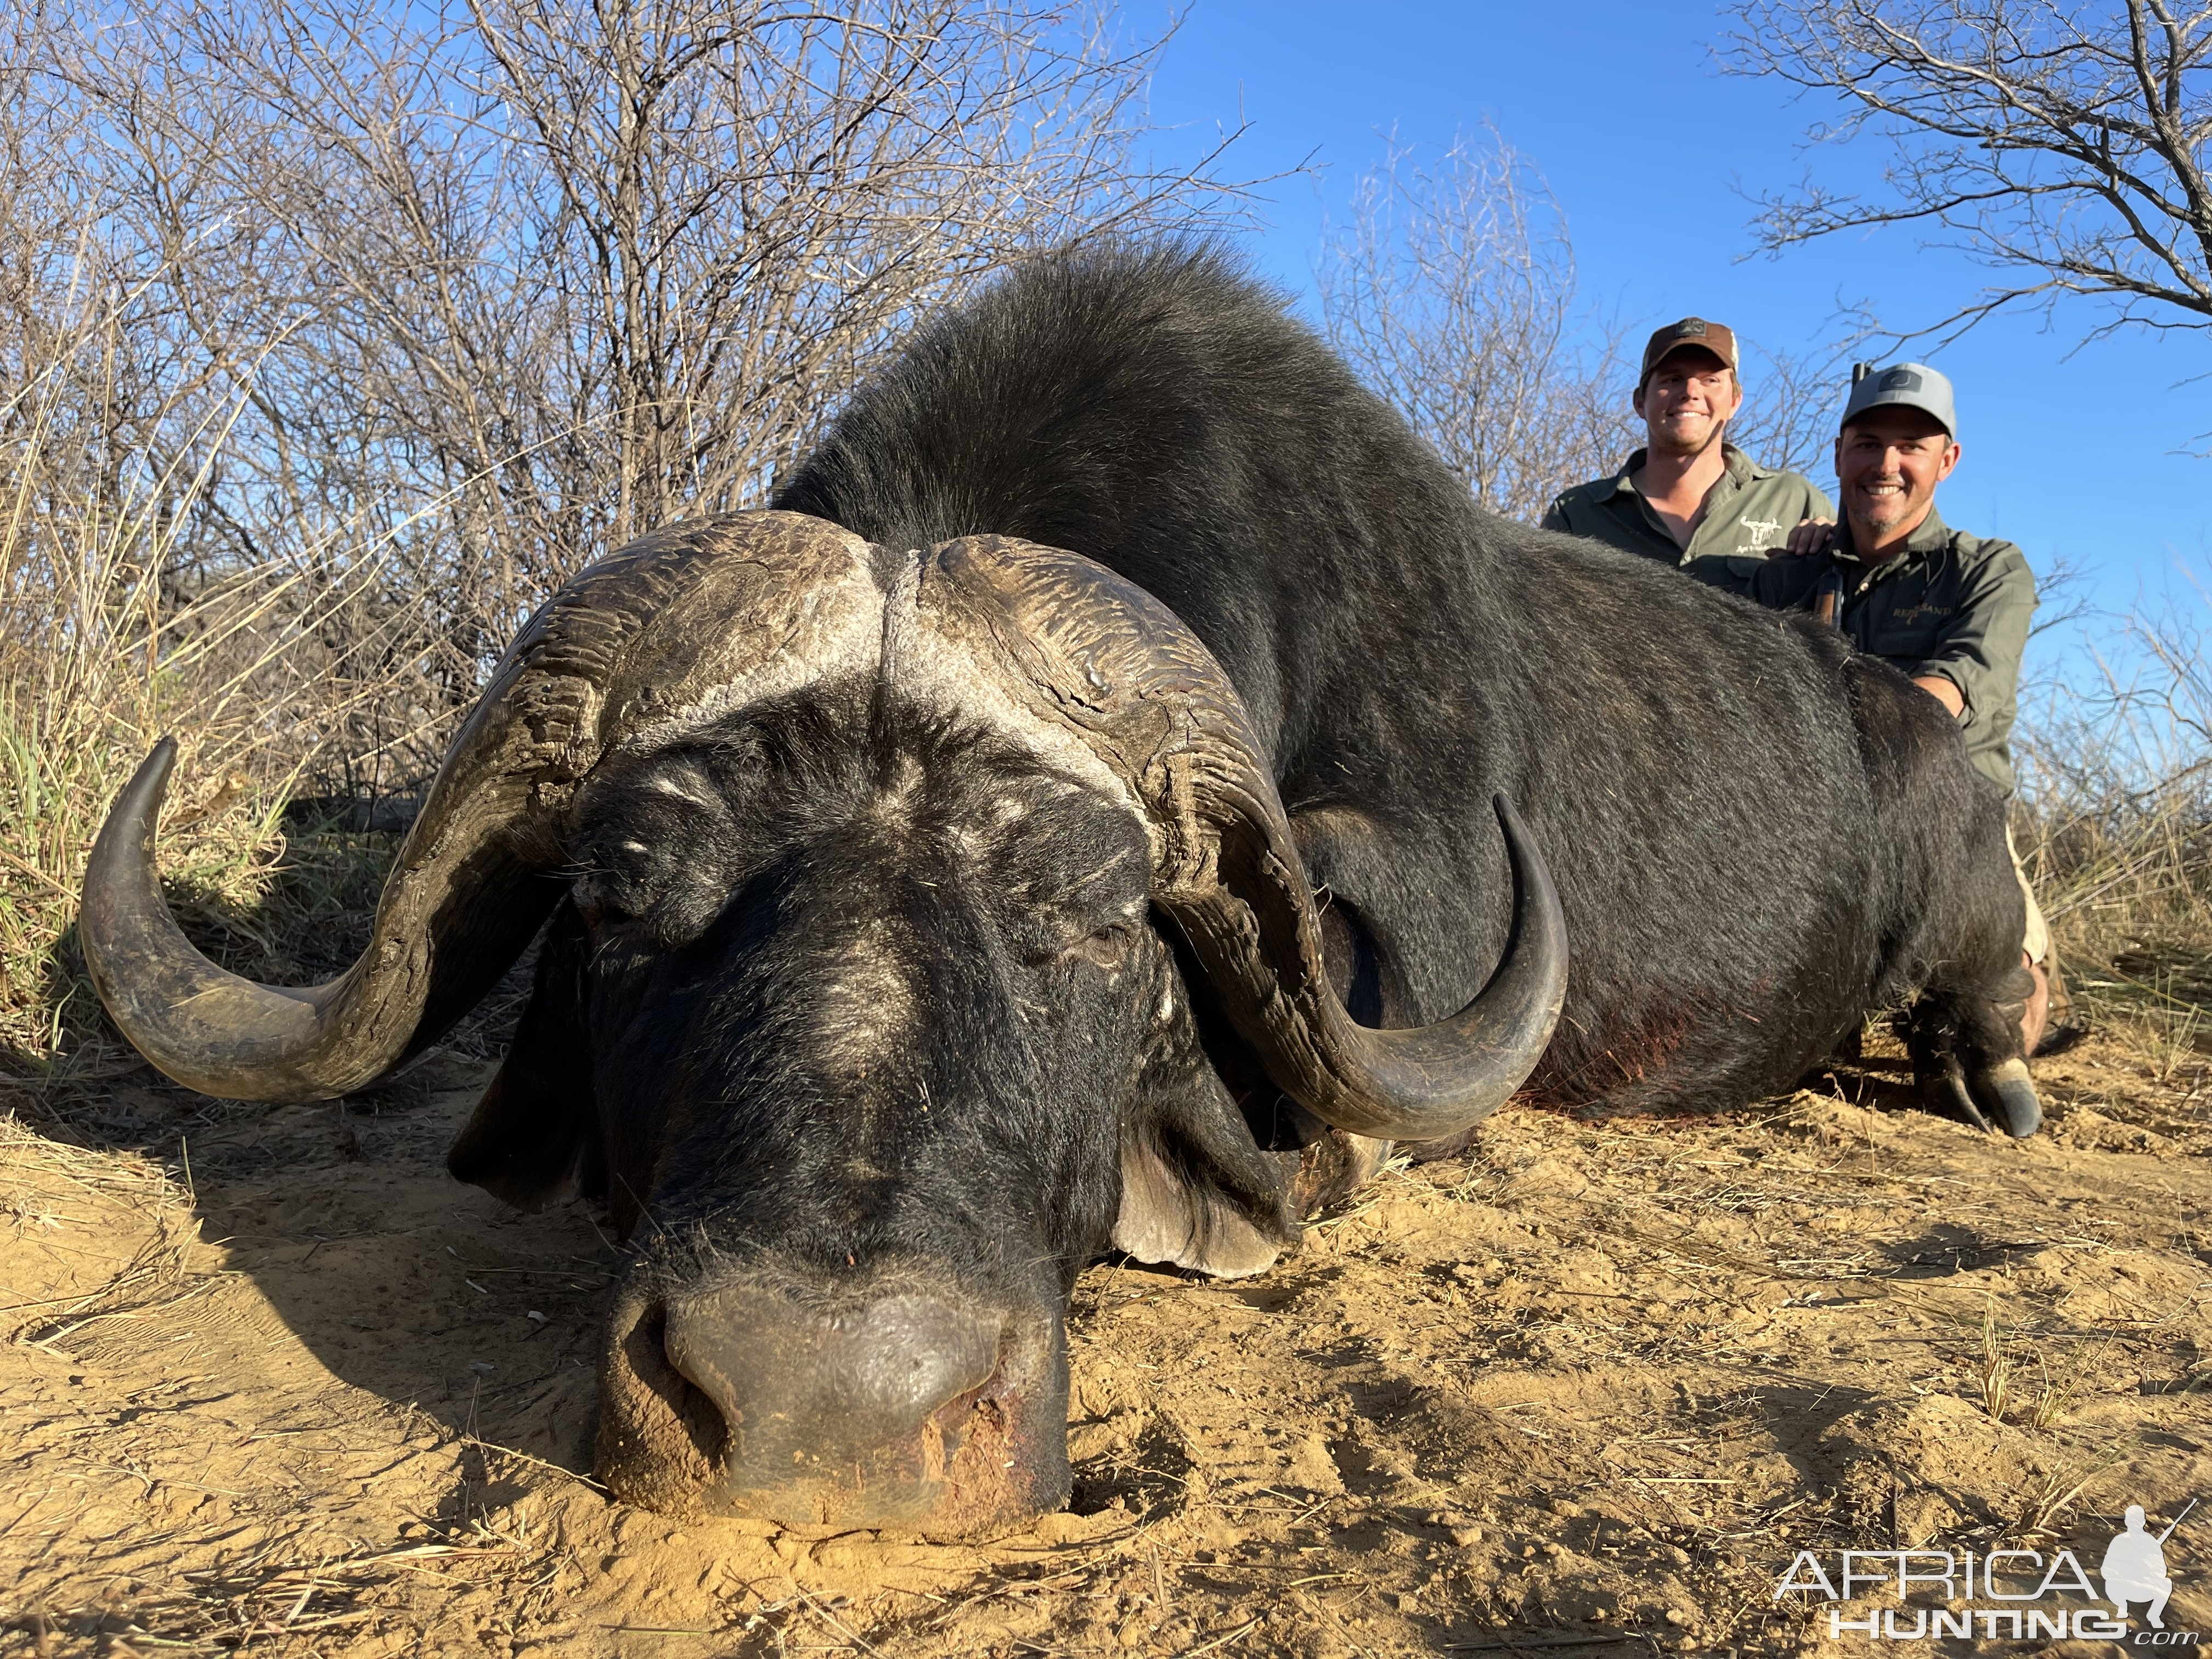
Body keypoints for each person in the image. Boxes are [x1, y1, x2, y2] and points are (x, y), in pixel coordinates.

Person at [1694, 361, 2073, 1054]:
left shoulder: (1989, 570)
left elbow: (1947, 697)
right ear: (1839, 454)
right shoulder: (1784, 574)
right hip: (1806, 826)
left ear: (1948, 461)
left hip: (1949, 822)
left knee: (1996, 1022)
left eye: (1912, 448)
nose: (1887, 465)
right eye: (1868, 443)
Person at [1543, 317, 1833, 565]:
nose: (1690, 392)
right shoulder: (1576, 515)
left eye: (1710, 380)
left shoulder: (1795, 502)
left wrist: (1840, 543)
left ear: (1735, 401)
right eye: (1672, 379)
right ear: (1640, 402)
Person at [2102, 1505, 2175, 1628]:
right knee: (2110, 1583)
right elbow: (2106, 1570)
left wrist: (2147, 1572)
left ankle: (2154, 1615)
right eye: (2132, 1521)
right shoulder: (2119, 1540)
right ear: (2127, 1522)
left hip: (2145, 1589)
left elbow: (2162, 1570)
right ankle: (2122, 1607)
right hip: (2122, 1587)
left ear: (2143, 1522)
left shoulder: (2151, 1542)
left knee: (2167, 1583)